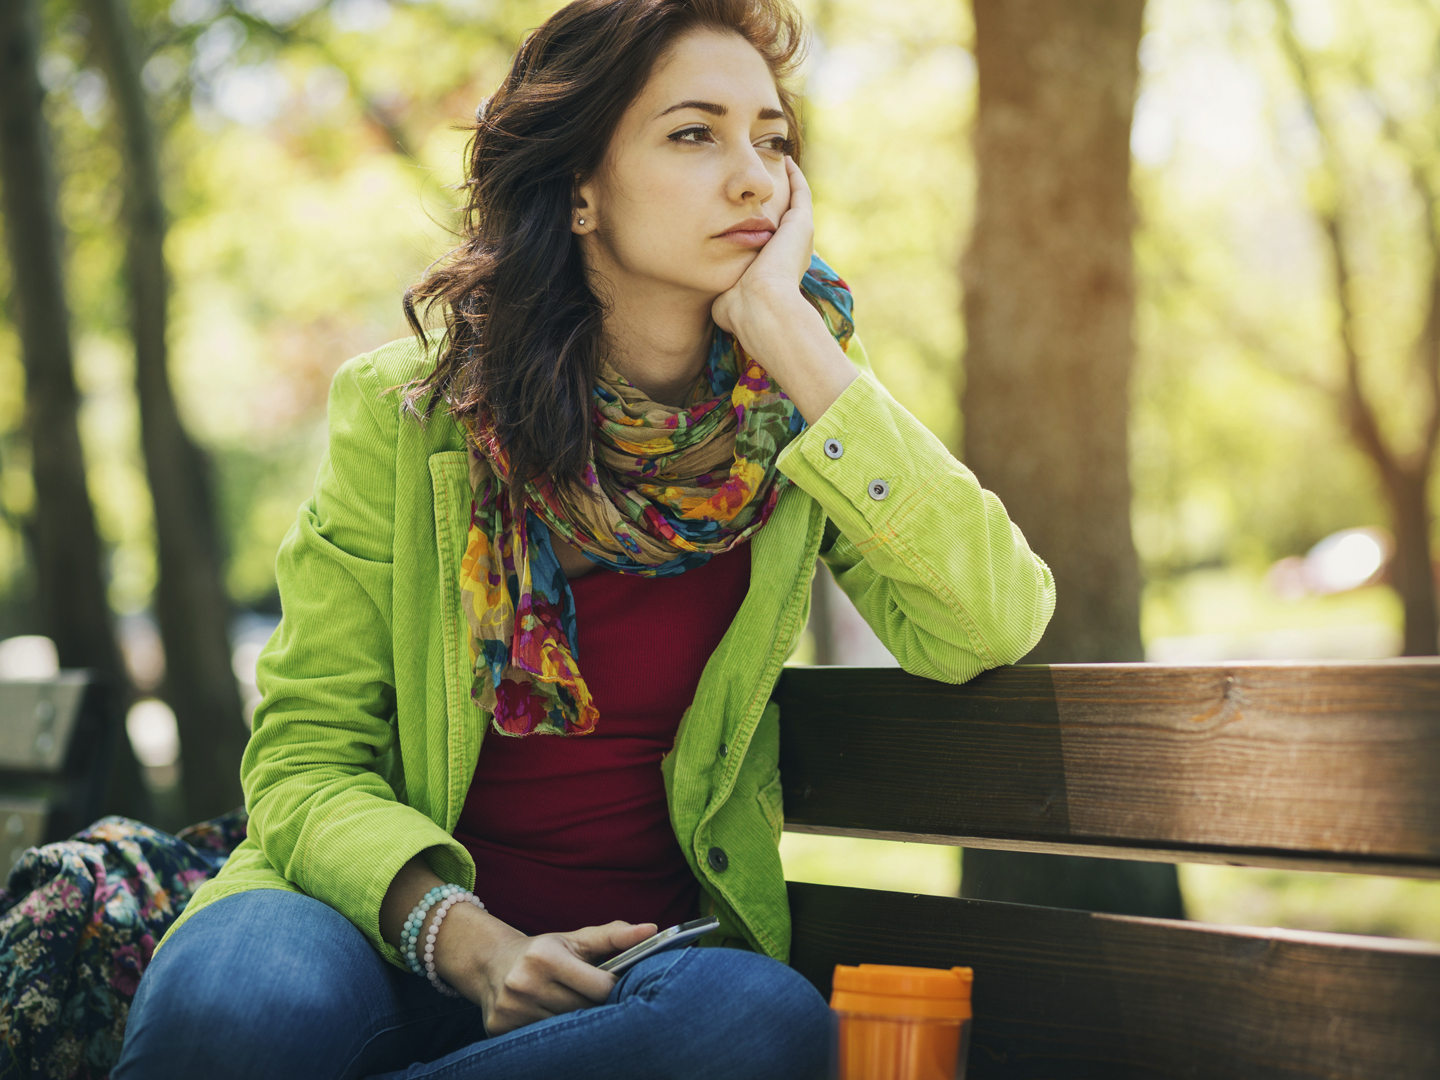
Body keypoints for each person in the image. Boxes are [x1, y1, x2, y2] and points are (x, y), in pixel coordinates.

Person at [113, 0, 1055, 1076]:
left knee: (762, 1025)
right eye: (694, 133)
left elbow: (987, 621)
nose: (753, 176)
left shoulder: (800, 412)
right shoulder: (412, 413)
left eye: (773, 139)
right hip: (378, 923)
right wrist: (465, 941)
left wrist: (792, 333)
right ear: (578, 192)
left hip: (635, 973)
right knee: (231, 1013)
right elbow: (304, 762)